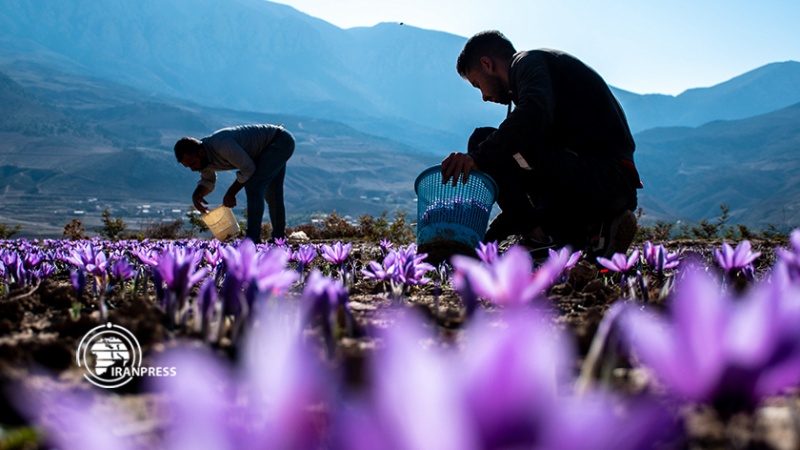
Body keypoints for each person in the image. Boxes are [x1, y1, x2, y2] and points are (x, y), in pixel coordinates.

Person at [442, 30, 642, 259]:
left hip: (603, 177)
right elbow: (527, 188)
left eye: (478, 85)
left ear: (487, 64)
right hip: (606, 185)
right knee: (547, 214)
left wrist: (477, 157)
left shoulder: (528, 63)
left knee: (483, 140)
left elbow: (534, 115)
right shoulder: (543, 79)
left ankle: (542, 240)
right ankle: (597, 232)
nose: (484, 97)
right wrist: (487, 242)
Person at [174, 124, 295, 244]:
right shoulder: (204, 160)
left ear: (201, 153)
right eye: (189, 166)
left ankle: (253, 239)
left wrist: (231, 193)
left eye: (193, 164)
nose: (193, 169)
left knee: (254, 186)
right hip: (267, 149)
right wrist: (197, 196)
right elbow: (208, 181)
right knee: (273, 195)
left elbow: (248, 169)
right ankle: (279, 239)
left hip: (278, 142)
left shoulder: (222, 145)